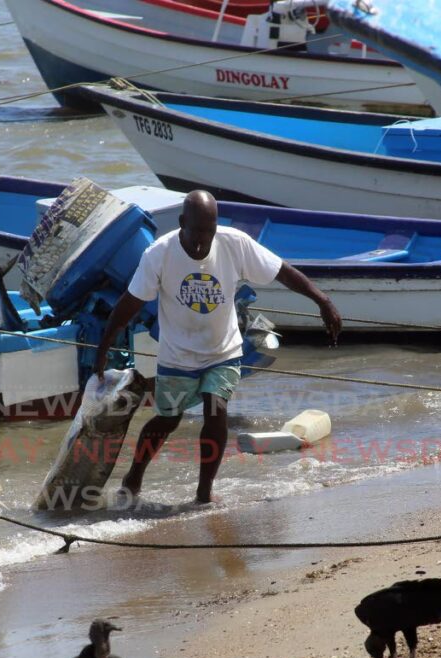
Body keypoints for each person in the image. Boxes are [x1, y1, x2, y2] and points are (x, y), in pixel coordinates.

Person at [93, 189, 341, 504]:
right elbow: (129, 305)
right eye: (195, 231)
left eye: (208, 232)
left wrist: (323, 300)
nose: (201, 241)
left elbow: (282, 272)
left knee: (216, 410)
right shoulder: (159, 254)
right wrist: (103, 349)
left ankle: (203, 494)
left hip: (222, 353)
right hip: (177, 356)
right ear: (182, 222)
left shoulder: (233, 243)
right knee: (168, 420)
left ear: (216, 227)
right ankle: (134, 476)